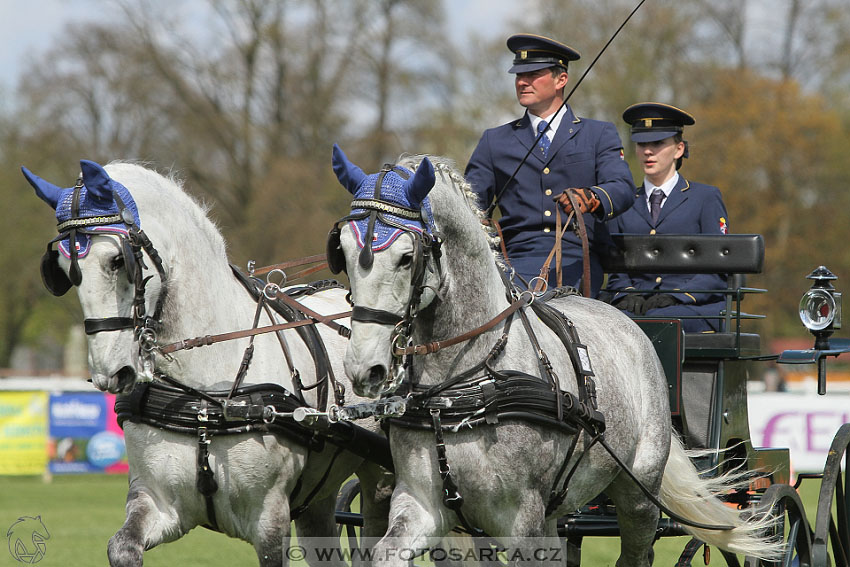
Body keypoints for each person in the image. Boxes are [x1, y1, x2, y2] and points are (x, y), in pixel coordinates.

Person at [464, 33, 636, 296]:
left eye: (533, 74)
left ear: (561, 79)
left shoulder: (598, 134)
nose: (522, 82)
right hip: (513, 262)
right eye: (518, 75)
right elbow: (471, 204)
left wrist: (591, 198)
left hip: (577, 260)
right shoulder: (494, 141)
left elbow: (622, 187)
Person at [606, 102, 729, 332]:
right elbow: (616, 268)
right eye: (642, 144)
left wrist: (677, 296)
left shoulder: (705, 198)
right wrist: (627, 294)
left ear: (679, 149)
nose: (648, 151)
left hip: (693, 307)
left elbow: (717, 270)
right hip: (635, 309)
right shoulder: (623, 201)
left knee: (659, 322)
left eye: (658, 143)